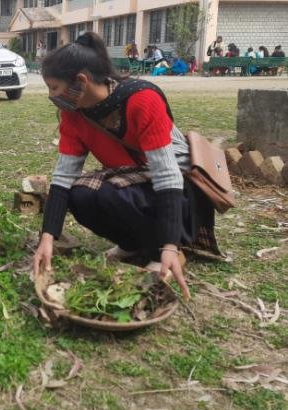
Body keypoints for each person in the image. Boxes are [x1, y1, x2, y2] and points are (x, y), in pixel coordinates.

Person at [32, 32, 224, 301]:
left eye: (54, 87)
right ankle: (133, 245)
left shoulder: (142, 100)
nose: (52, 95)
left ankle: (167, 251)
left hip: (180, 194)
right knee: (80, 194)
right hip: (136, 182)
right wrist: (48, 237)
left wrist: (169, 244)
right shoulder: (74, 116)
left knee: (110, 193)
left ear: (81, 82)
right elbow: (63, 177)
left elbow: (167, 175)